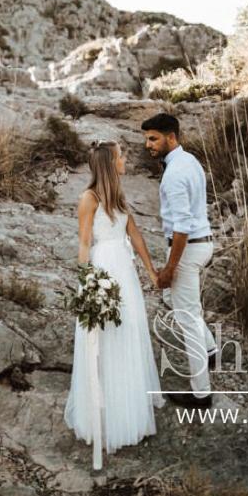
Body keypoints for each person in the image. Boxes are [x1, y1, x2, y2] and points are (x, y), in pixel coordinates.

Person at [64, 139, 165, 469]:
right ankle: (102, 416)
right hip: (104, 269)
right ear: (110, 163)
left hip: (125, 272)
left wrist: (151, 271)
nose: (125, 159)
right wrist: (88, 285)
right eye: (121, 156)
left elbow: (134, 234)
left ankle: (128, 408)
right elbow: (83, 243)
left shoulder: (119, 196)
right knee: (104, 337)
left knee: (129, 331)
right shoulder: (88, 198)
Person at [141, 113, 217, 408]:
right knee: (180, 302)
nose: (148, 144)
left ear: (171, 137)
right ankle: (210, 351)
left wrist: (170, 269)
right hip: (203, 243)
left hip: (188, 248)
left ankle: (201, 393)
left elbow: (182, 227)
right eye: (147, 138)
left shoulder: (174, 174)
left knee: (186, 319)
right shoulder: (190, 161)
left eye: (153, 138)